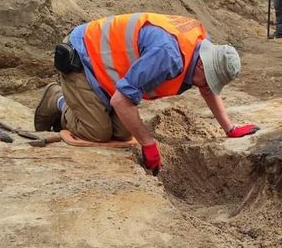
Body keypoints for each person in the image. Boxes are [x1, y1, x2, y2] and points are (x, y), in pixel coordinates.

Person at [34, 12, 259, 175]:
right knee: (98, 132)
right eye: (209, 80)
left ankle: (89, 104)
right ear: (202, 65)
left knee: (122, 133)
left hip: (109, 74)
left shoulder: (201, 47)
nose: (207, 87)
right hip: (83, 57)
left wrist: (229, 128)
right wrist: (148, 143)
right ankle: (58, 99)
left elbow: (207, 89)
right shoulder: (168, 56)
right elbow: (121, 101)